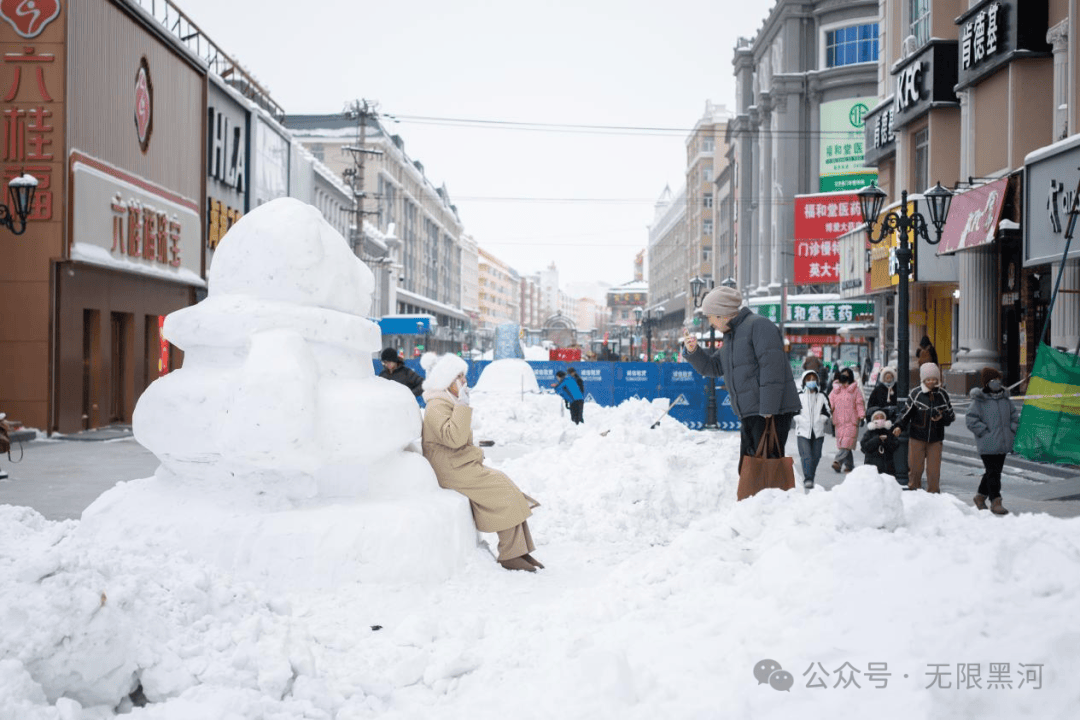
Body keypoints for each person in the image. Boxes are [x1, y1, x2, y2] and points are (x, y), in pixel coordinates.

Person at [420, 354, 543, 572]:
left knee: (505, 485)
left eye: (464, 376)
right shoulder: (437, 405)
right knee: (501, 490)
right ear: (447, 380)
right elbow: (454, 439)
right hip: (450, 468)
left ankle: (520, 551)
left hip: (458, 464)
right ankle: (510, 554)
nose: (464, 380)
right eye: (458, 376)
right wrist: (462, 406)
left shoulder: (447, 402)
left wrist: (460, 406)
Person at [683, 285, 801, 469]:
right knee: (749, 469)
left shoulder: (758, 325)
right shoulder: (732, 336)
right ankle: (756, 498)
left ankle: (768, 497)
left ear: (721, 313)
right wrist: (693, 352)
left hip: (769, 411)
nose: (710, 322)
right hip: (751, 411)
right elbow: (713, 367)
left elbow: (772, 369)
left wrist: (768, 410)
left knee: (763, 470)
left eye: (711, 317)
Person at [965, 367, 1020, 515]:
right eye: (994, 380)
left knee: (993, 472)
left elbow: (1014, 417)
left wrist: (1011, 429)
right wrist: (984, 432)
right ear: (987, 382)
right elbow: (971, 419)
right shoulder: (980, 399)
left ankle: (980, 497)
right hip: (987, 444)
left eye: (998, 379)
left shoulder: (1005, 399)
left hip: (1003, 442)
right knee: (993, 472)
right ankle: (996, 501)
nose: (997, 382)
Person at [893, 362, 955, 492]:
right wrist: (899, 425)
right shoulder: (916, 394)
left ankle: (933, 494)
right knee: (915, 469)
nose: (931, 382)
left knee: (934, 471)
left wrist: (941, 417)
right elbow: (906, 412)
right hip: (917, 437)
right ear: (923, 379)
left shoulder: (942, 395)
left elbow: (951, 416)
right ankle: (914, 491)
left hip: (936, 438)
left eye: (934, 379)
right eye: (928, 379)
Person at [793, 370, 830, 490]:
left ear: (817, 381)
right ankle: (808, 478)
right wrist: (800, 419)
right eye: (808, 379)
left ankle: (810, 476)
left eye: (813, 379)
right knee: (806, 456)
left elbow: (828, 411)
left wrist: (821, 419)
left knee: (816, 456)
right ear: (804, 382)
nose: (811, 382)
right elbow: (793, 412)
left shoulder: (822, 396)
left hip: (818, 431)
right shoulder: (799, 396)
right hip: (802, 431)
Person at [828, 367, 866, 473]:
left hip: (852, 421)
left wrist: (862, 416)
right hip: (839, 421)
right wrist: (827, 412)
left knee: (846, 443)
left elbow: (859, 404)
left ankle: (837, 461)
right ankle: (849, 465)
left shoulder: (855, 390)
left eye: (846, 374)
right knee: (844, 444)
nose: (844, 376)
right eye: (842, 374)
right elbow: (830, 403)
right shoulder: (835, 390)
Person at [860, 409, 900, 478]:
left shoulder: (889, 432)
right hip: (872, 468)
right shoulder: (869, 433)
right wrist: (877, 439)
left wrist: (886, 440)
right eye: (877, 418)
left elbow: (895, 446)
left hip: (888, 468)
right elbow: (864, 447)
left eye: (881, 418)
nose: (879, 420)